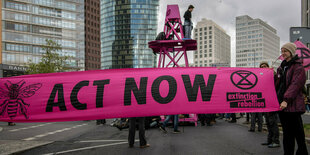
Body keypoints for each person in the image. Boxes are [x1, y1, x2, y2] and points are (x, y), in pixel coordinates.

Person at [275, 42, 308, 155]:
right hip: (282, 104)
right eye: (282, 51)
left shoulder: (298, 67)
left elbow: (295, 85)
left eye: (285, 51)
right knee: (287, 133)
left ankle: (302, 151)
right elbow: (278, 83)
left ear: (291, 52)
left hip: (292, 104)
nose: (283, 53)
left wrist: (286, 100)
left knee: (298, 132)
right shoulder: (282, 67)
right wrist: (271, 73)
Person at [260, 61, 280, 148]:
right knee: (268, 122)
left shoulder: (274, 76)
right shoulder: (261, 78)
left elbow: (277, 85)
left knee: (273, 122)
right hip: (265, 102)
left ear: (268, 67)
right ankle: (270, 140)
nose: (263, 68)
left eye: (265, 66)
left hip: (272, 102)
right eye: (261, 67)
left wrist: (272, 73)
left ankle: (276, 141)